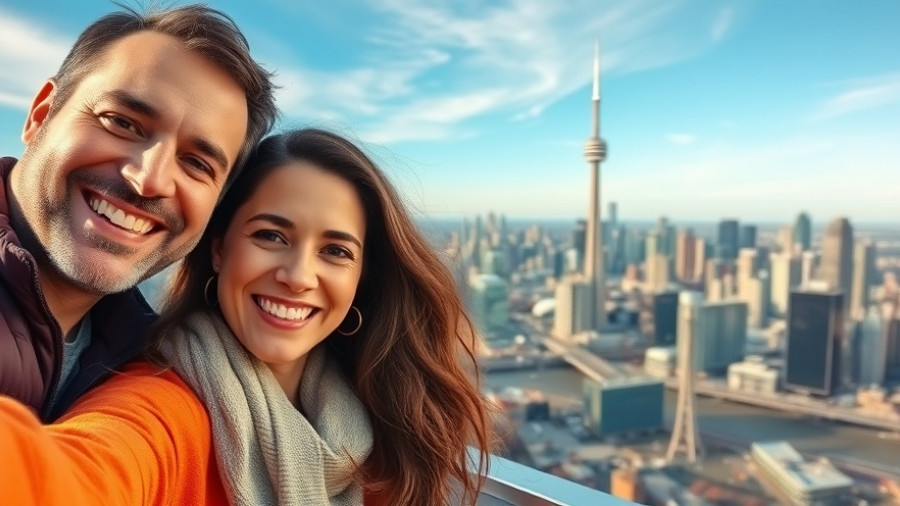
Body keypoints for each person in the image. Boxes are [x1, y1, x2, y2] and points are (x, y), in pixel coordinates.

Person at [0, 129, 493, 505]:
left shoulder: (373, 425)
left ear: (362, 278)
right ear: (219, 250)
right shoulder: (163, 409)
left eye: (336, 251)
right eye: (270, 236)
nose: (299, 276)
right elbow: (74, 476)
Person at [0, 4, 277, 421]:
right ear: (41, 116)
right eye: (122, 123)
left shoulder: (154, 357)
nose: (149, 180)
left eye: (197, 164)